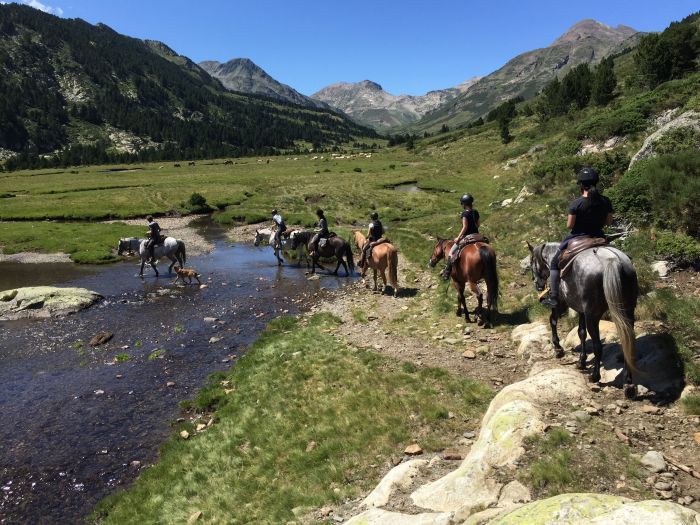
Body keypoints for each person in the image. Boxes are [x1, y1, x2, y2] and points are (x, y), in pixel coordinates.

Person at [540, 167, 613, 308]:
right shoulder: (605, 201)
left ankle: (554, 297)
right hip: (599, 236)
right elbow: (609, 222)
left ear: (581, 185)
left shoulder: (576, 203)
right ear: (596, 183)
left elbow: (569, 225)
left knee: (555, 262)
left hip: (579, 237)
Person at [441, 194, 480, 280]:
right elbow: (478, 225)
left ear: (464, 204)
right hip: (477, 236)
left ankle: (447, 271)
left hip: (468, 236)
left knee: (451, 253)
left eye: (462, 203)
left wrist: (458, 238)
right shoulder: (476, 212)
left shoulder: (465, 214)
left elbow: (465, 227)